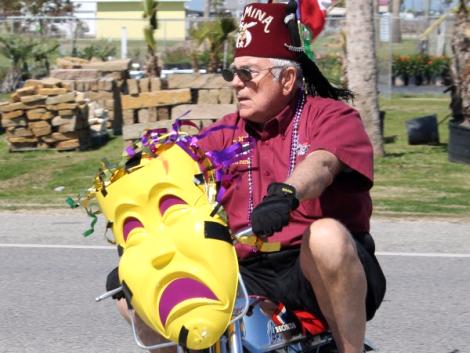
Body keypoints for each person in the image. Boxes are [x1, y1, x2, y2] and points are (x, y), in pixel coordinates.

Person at [114, 2, 385, 353]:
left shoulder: (332, 117)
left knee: (326, 235)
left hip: (313, 267)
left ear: (287, 79)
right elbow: (169, 171)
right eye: (234, 74)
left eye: (249, 74)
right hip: (246, 268)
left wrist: (288, 193)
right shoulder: (223, 133)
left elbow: (322, 164)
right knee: (134, 290)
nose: (237, 85)